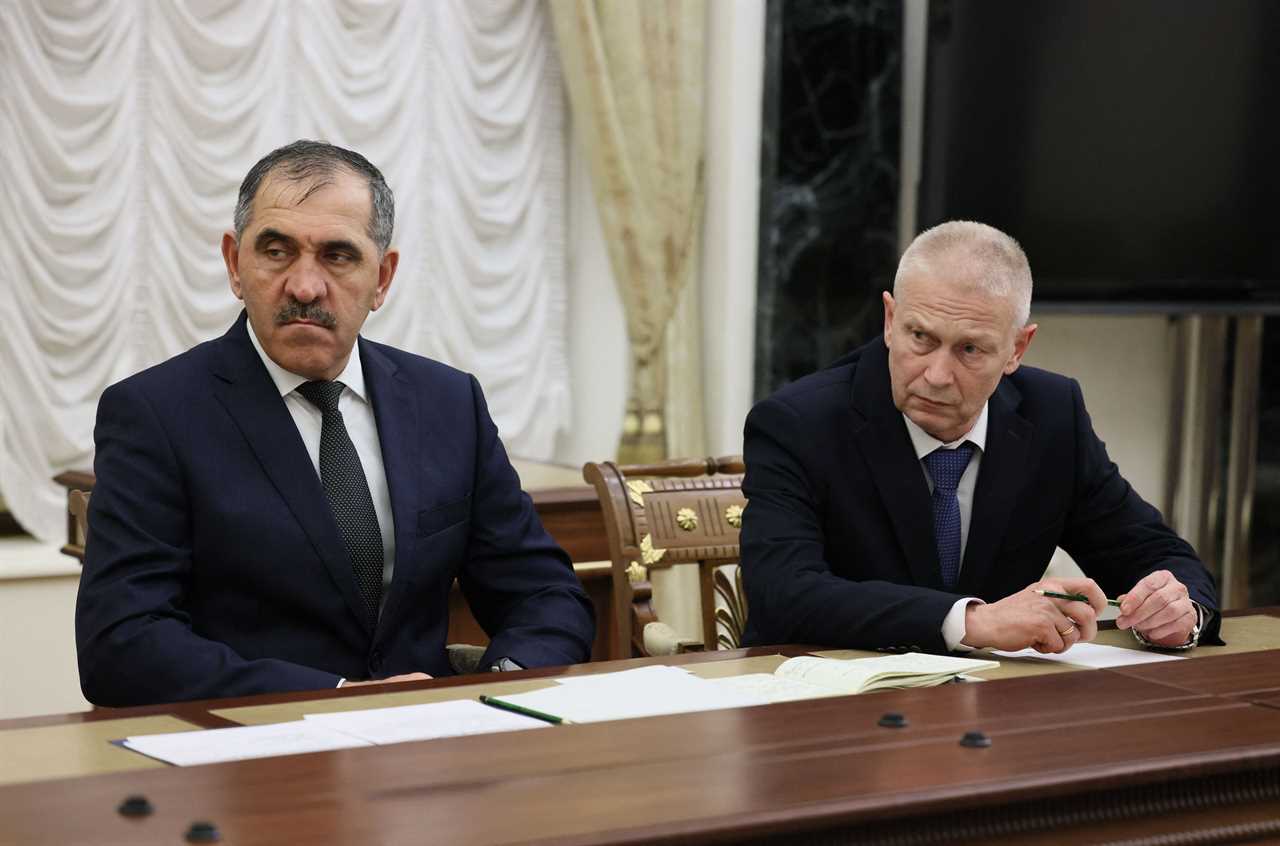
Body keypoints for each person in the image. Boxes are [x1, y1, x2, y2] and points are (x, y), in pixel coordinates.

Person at [76, 140, 594, 706]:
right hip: (246, 763)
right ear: (234, 264)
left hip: (423, 759)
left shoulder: (447, 402)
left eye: (338, 255)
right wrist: (339, 696)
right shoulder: (155, 414)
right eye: (276, 251)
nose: (304, 286)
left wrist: (500, 689)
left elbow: (543, 594)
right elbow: (122, 644)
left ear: (383, 278)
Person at [740, 221, 1220, 655]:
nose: (937, 375)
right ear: (890, 320)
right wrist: (973, 621)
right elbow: (784, 594)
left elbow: (1155, 554)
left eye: (969, 349)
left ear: (1017, 348)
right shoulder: (797, 424)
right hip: (823, 705)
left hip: (992, 710)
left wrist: (1179, 610)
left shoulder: (1052, 416)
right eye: (920, 337)